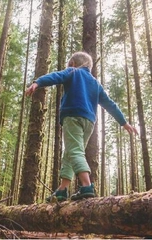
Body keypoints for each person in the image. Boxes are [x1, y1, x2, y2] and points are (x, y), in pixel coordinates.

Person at [25, 51, 138, 202]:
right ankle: (62, 189)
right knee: (71, 152)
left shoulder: (72, 72)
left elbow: (55, 76)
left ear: (72, 63)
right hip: (89, 122)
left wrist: (37, 82)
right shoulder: (95, 83)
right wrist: (123, 122)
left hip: (73, 116)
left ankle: (87, 186)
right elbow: (109, 104)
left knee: (75, 151)